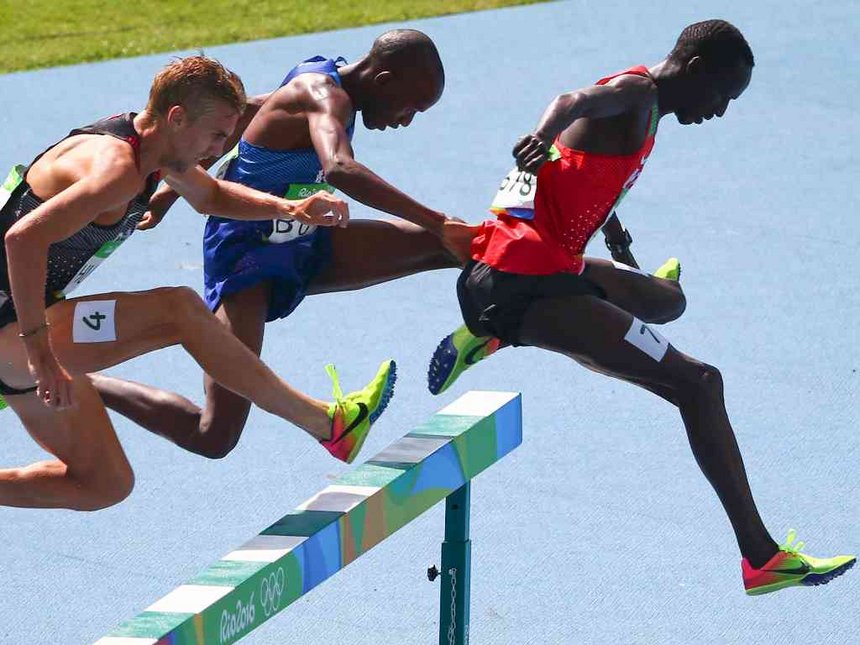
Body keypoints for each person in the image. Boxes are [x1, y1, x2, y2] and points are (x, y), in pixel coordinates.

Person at [426, 20, 854, 595]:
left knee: (666, 302)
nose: (720, 112)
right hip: (522, 284)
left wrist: (613, 233)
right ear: (696, 69)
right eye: (723, 96)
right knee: (700, 383)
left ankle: (503, 331)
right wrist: (538, 138)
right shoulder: (637, 94)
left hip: (548, 268)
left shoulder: (649, 114)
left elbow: (582, 177)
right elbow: (570, 101)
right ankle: (761, 558)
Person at [0, 56, 395, 512]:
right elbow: (22, 239)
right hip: (18, 335)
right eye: (216, 135)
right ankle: (327, 423)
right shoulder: (115, 170)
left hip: (24, 323)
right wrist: (40, 354)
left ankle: (330, 427)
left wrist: (290, 210)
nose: (220, 147)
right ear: (177, 116)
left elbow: (209, 195)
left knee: (104, 483)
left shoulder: (151, 149)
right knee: (180, 311)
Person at [93, 30, 473, 459]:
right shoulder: (324, 95)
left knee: (451, 247)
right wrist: (438, 220)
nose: (406, 120)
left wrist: (171, 187)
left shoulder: (317, 79)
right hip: (247, 255)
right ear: (384, 80)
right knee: (215, 434)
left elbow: (245, 114)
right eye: (411, 108)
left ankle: (494, 320)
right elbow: (340, 169)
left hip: (305, 241)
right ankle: (74, 381)